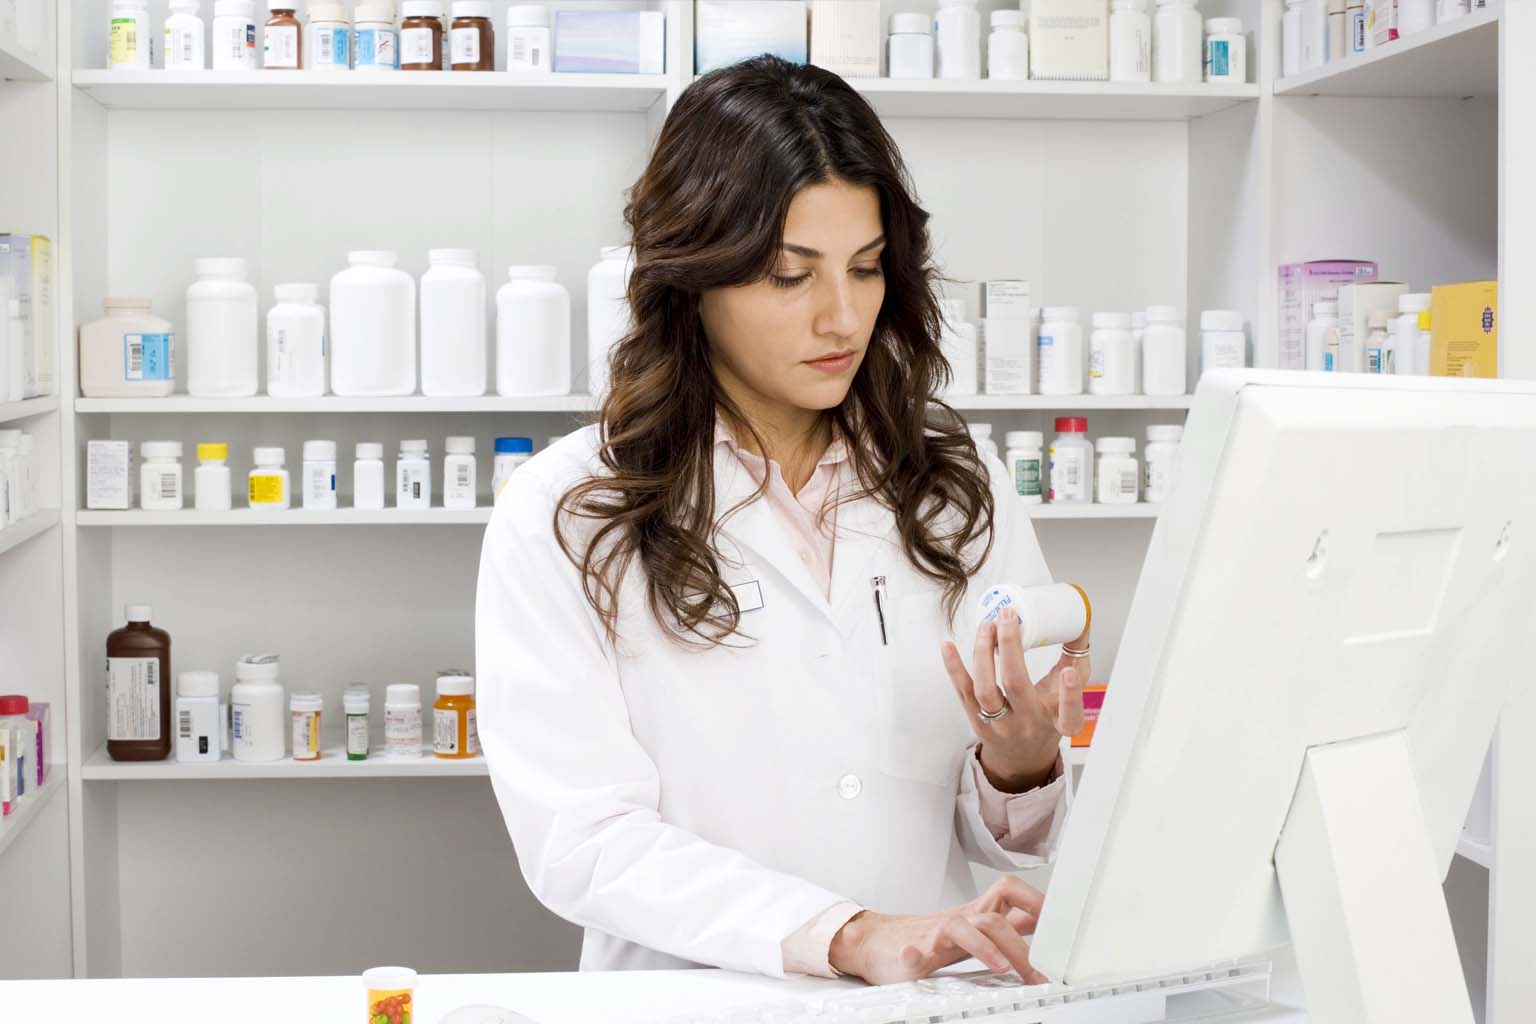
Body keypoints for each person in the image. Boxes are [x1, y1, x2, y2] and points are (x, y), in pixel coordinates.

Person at [475, 56, 1090, 987]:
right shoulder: (570, 511)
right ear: (694, 275)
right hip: (689, 1003)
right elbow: (583, 839)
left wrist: (1020, 767)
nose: (842, 316)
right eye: (787, 275)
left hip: (924, 1003)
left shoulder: (954, 485)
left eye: (867, 267)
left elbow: (1004, 832)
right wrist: (845, 932)